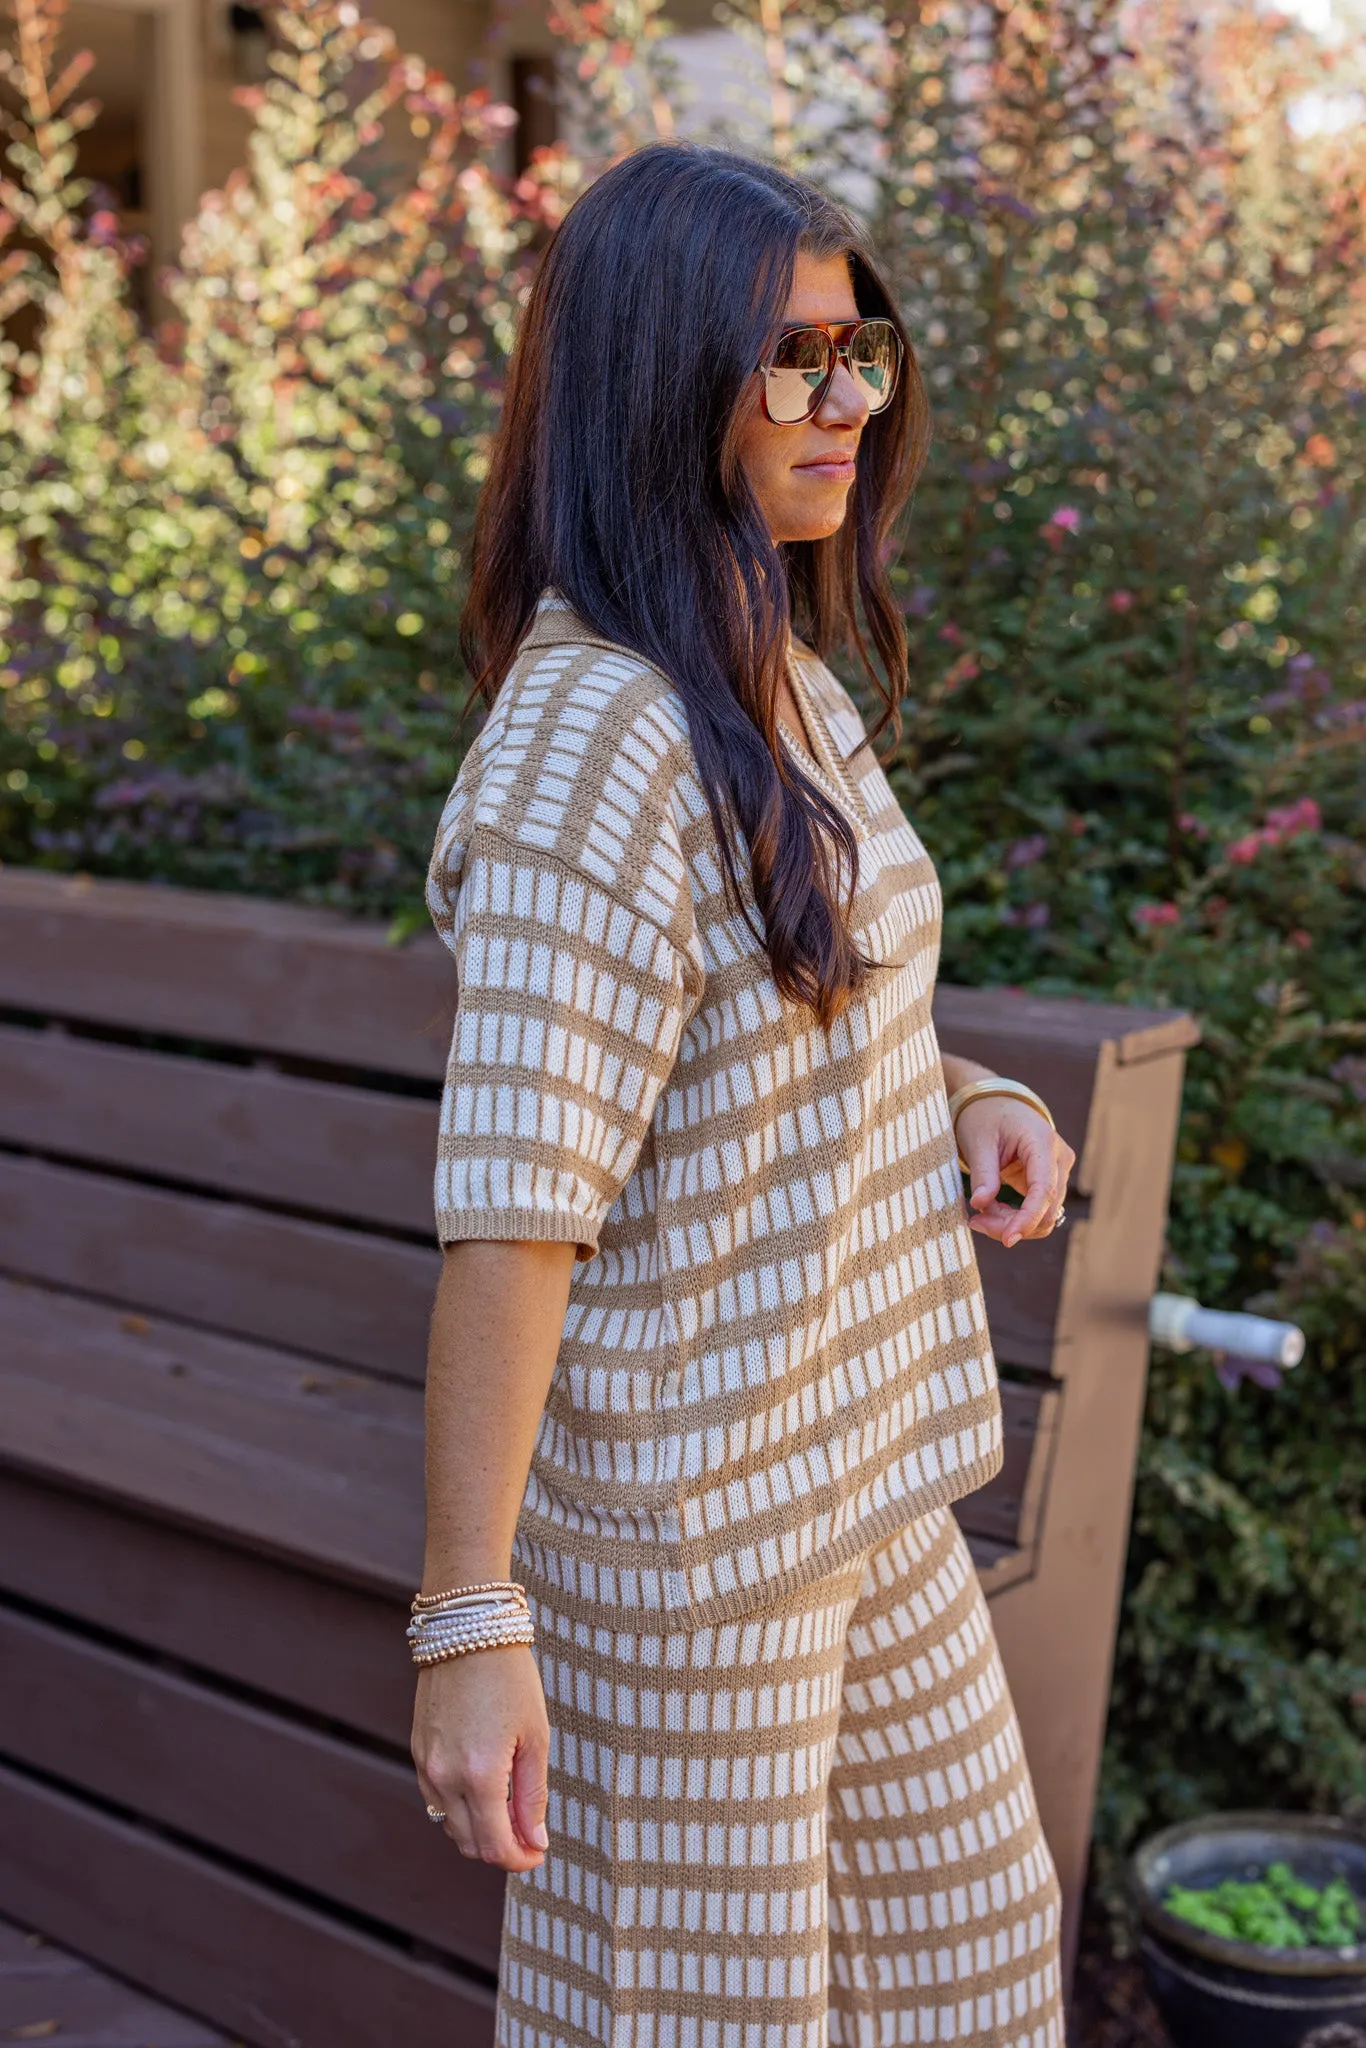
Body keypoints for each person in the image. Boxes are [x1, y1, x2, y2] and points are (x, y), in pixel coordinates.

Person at [412, 142, 1074, 2048]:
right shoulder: (593, 745)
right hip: (692, 1558)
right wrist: (470, 1621)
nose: (847, 401)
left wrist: (949, 1088)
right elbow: (518, 1213)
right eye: (790, 358)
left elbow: (770, 1001)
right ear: (652, 379)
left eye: (858, 347)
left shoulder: (767, 672)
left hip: (862, 1480)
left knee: (971, 1983)